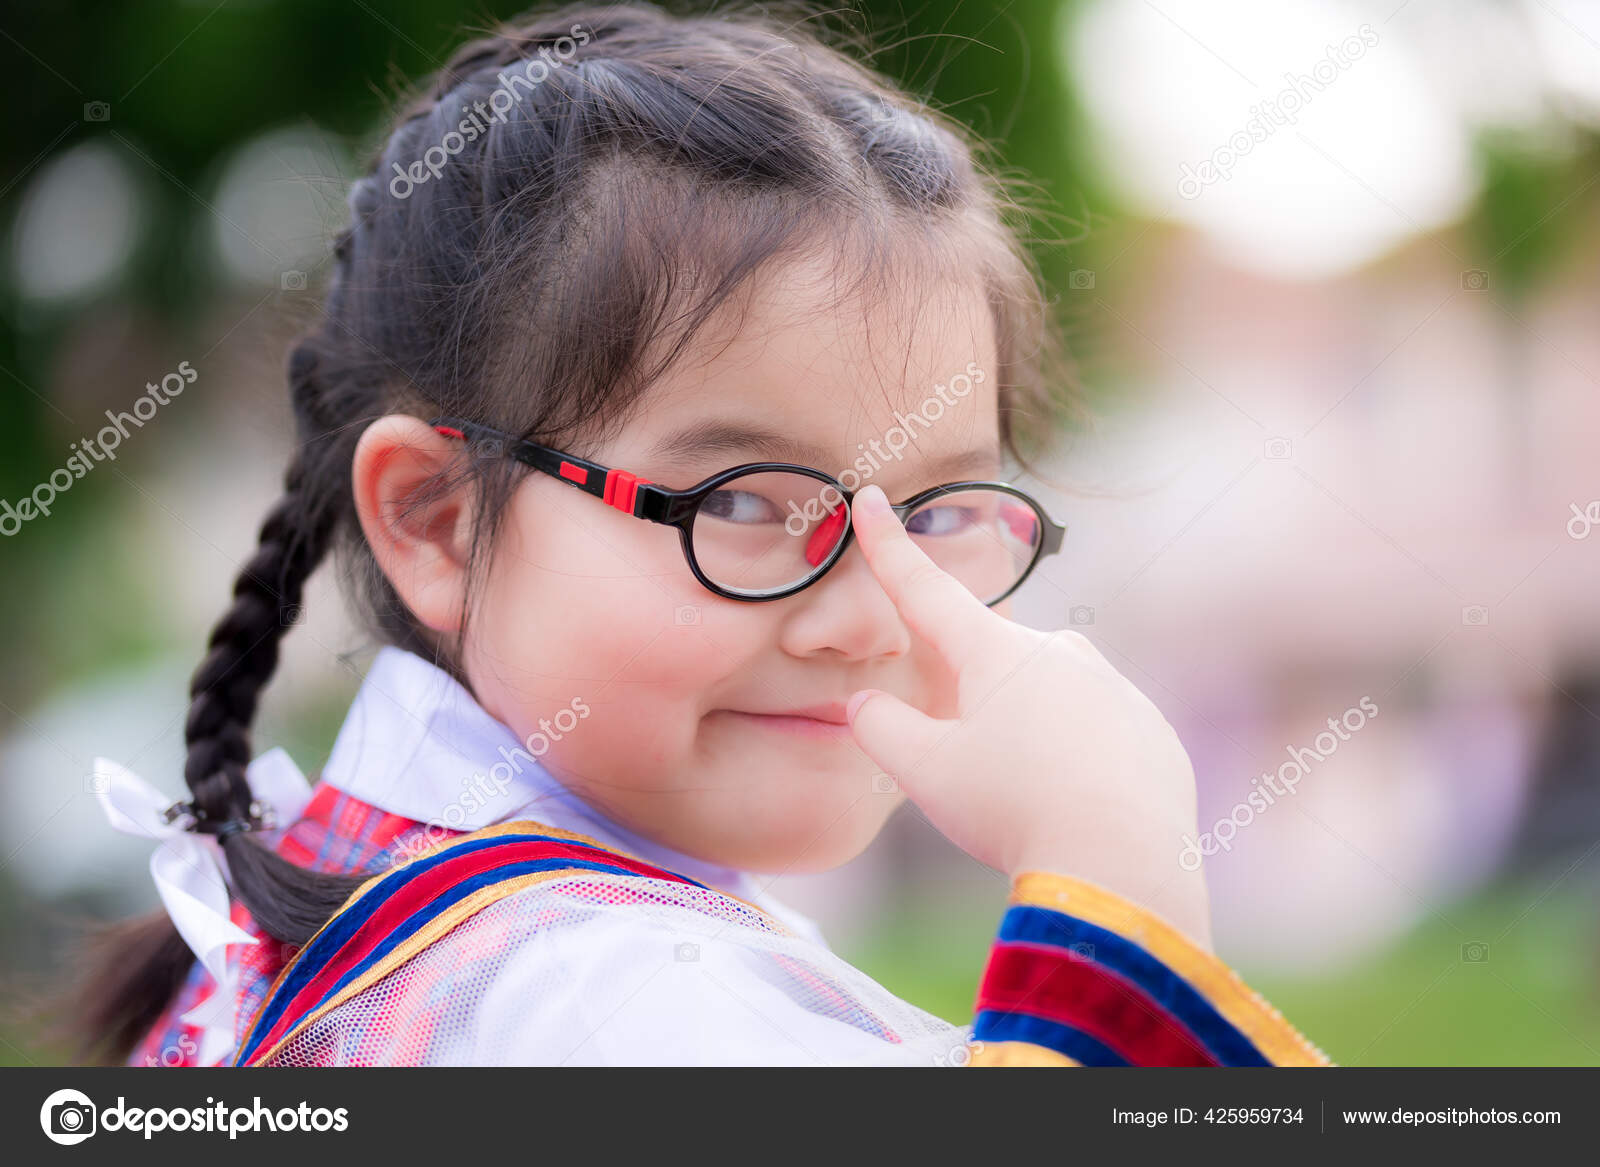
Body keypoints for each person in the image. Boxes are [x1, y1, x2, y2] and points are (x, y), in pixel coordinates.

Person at [78, 0, 1328, 1067]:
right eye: (741, 502)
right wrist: (1115, 873)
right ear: (437, 520)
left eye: (936, 514)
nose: (869, 616)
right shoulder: (620, 1005)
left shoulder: (331, 922)